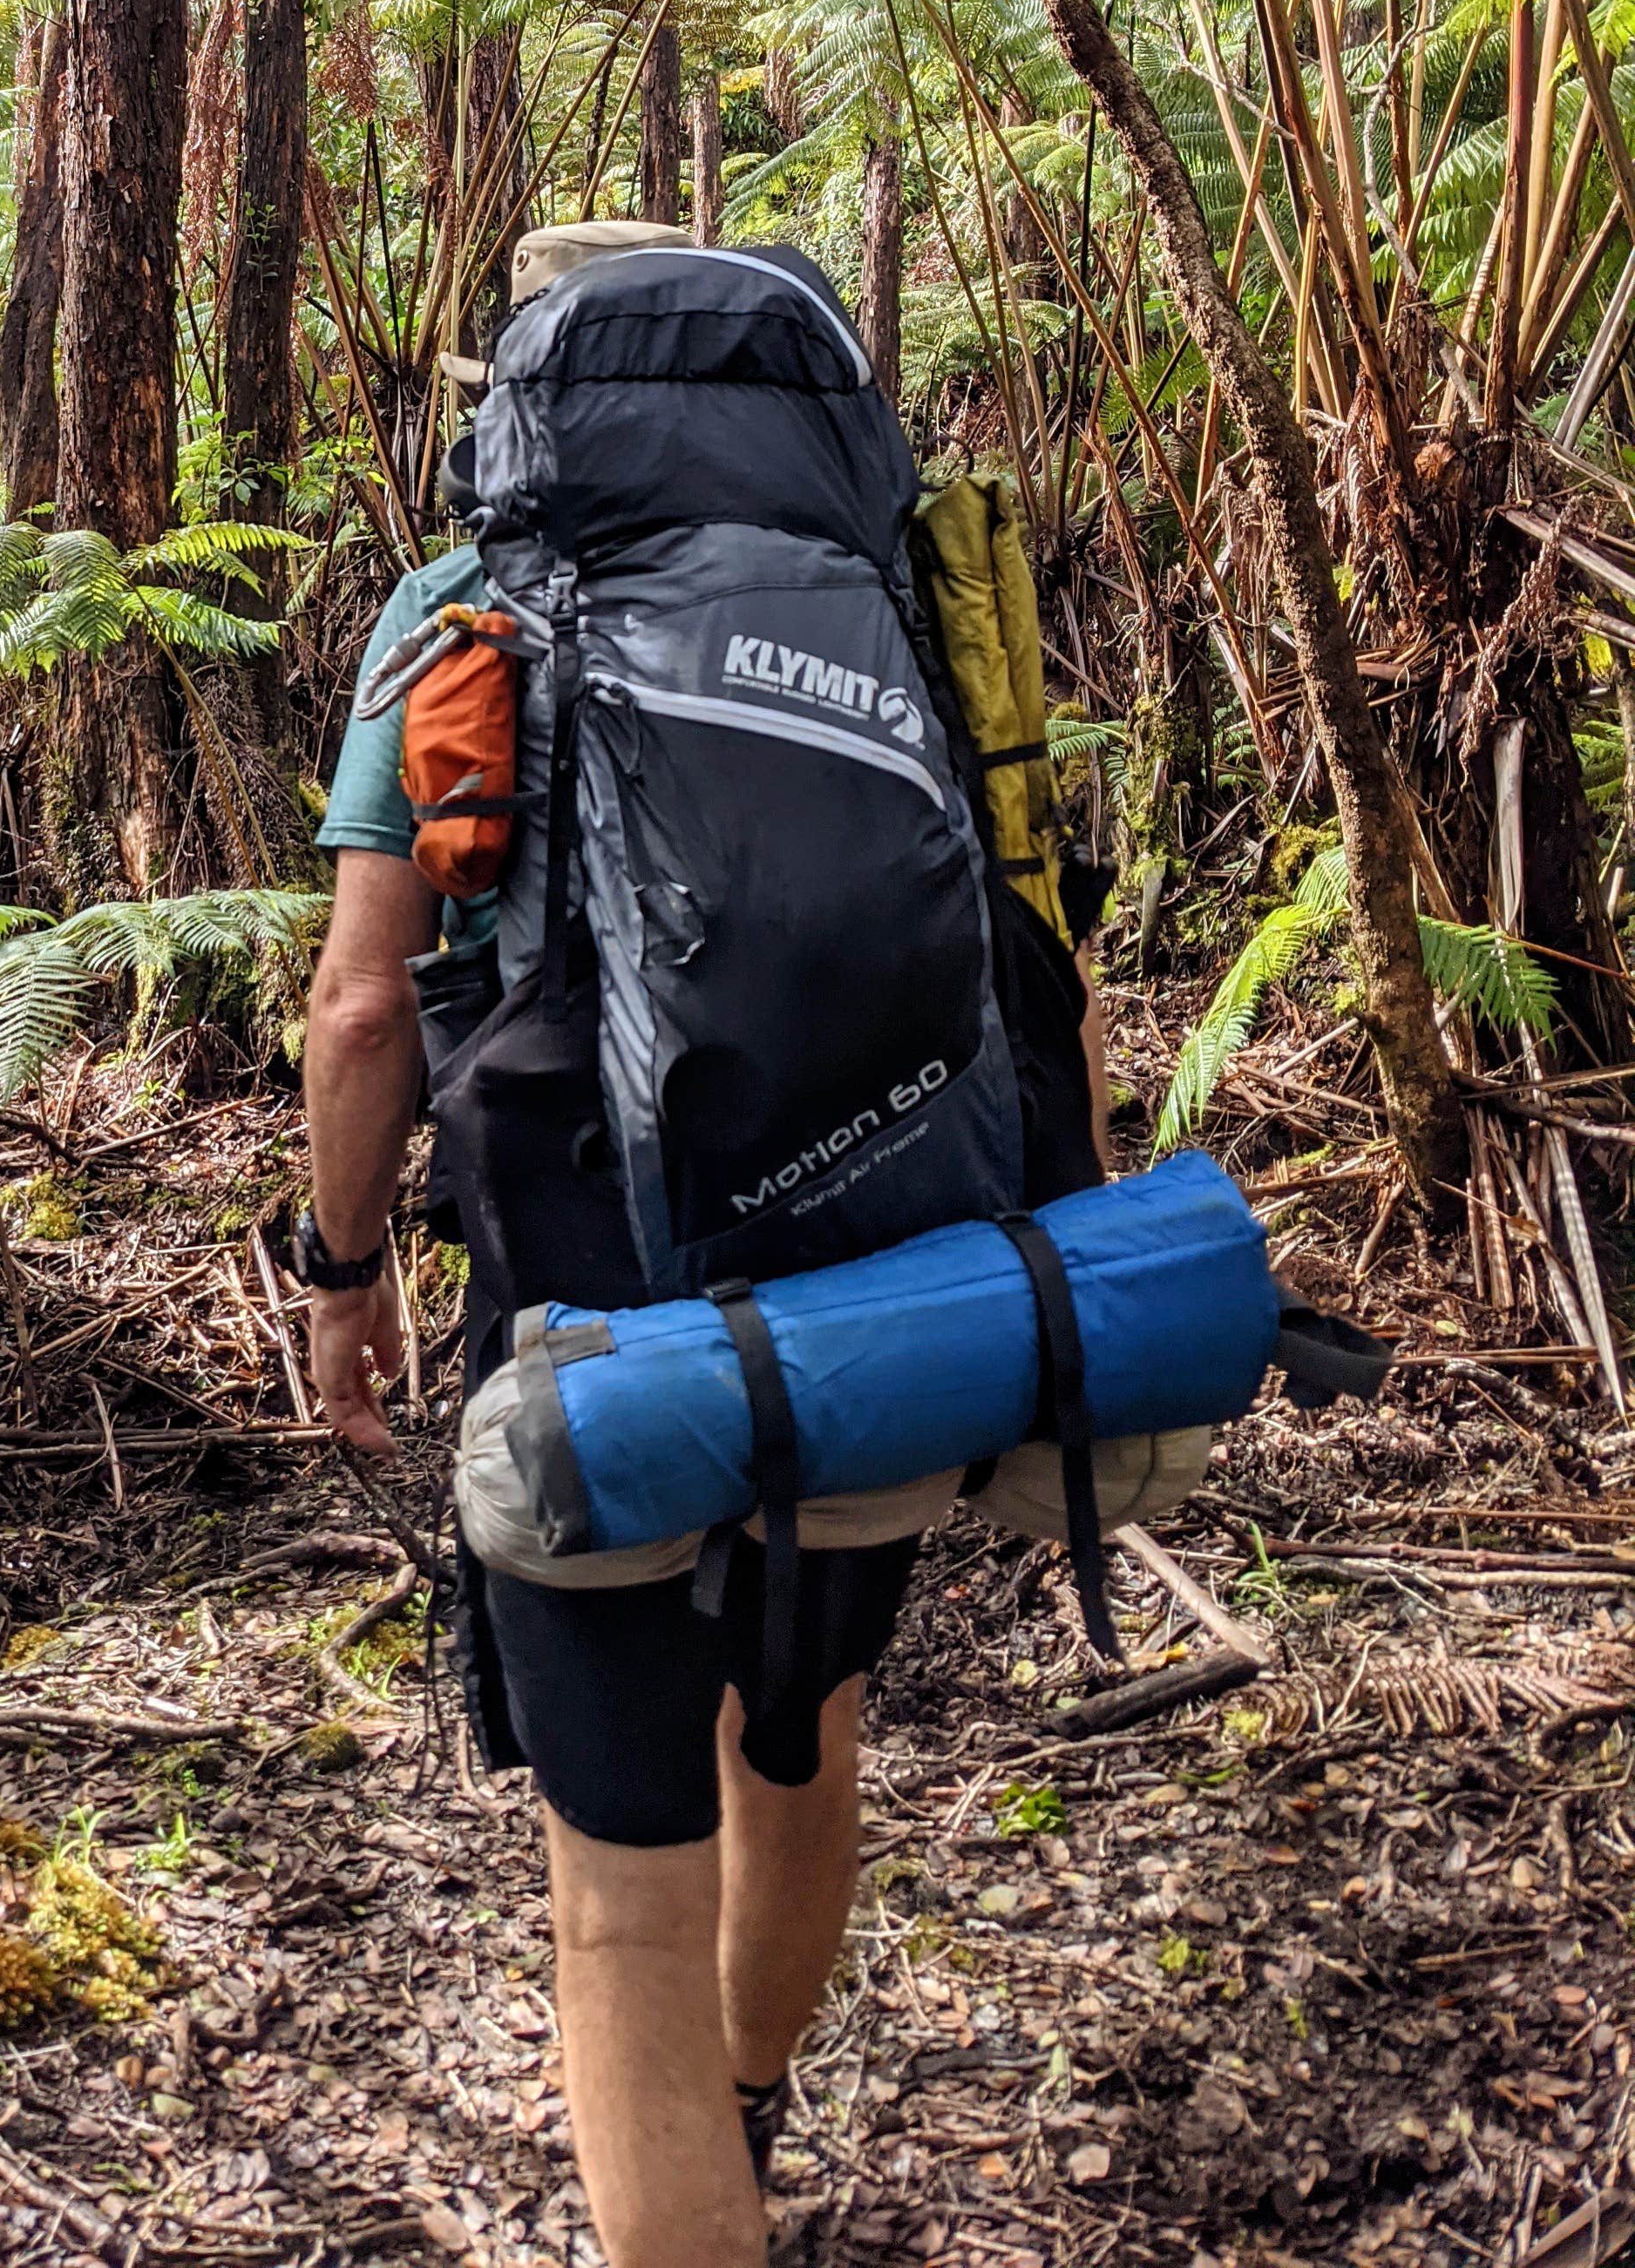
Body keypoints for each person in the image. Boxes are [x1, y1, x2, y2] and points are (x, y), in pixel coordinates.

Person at [293, 219, 1104, 2268]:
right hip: (877, 1267)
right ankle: (747, 2119)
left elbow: (365, 1005)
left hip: (584, 1302)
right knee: (803, 1740)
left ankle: (696, 2189)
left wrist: (342, 1264)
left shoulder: (457, 606)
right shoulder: (900, 582)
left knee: (619, 1897)